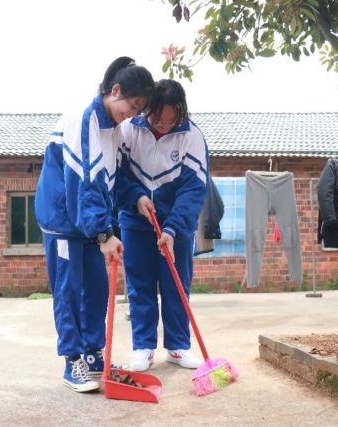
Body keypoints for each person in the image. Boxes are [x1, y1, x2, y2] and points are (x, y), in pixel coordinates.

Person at [35, 57, 155, 392]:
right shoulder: (83, 119)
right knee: (69, 290)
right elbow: (84, 183)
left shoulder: (113, 130)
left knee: (97, 290)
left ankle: (92, 353)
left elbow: (114, 178)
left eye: (137, 110)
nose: (131, 114)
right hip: (64, 220)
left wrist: (136, 197)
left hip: (88, 224)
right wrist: (103, 232)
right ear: (115, 90)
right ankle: (72, 360)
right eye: (131, 105)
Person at [116, 79, 208, 372]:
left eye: (173, 119)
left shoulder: (191, 136)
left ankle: (178, 346)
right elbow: (117, 175)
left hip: (176, 226)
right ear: (149, 109)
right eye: (159, 117)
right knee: (139, 285)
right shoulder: (129, 129)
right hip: (135, 219)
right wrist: (136, 197)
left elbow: (193, 189)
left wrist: (172, 229)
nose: (165, 125)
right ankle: (143, 347)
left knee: (176, 285)